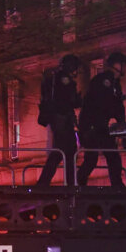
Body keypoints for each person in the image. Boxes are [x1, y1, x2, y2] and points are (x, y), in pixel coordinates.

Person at [77, 52, 126, 187]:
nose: (125, 68)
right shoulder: (104, 81)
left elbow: (118, 107)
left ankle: (117, 186)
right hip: (92, 126)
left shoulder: (115, 84)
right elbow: (103, 104)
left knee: (112, 157)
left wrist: (122, 126)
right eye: (123, 64)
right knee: (92, 159)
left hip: (102, 127)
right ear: (116, 65)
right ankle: (79, 185)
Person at [37, 54, 83, 187]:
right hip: (62, 119)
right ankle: (65, 183)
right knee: (65, 150)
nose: (75, 71)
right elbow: (69, 100)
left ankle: (46, 182)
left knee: (63, 150)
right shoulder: (64, 79)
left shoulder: (53, 79)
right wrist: (78, 100)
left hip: (57, 119)